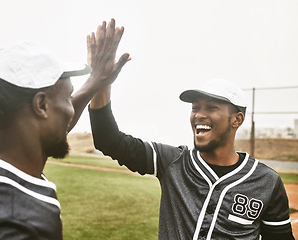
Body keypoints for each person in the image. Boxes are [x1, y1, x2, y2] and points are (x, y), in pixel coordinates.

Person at [0, 19, 130, 240]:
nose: (70, 109)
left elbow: (52, 122)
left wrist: (95, 82)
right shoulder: (14, 226)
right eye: (68, 97)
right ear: (41, 106)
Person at [89, 76, 295, 238]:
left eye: (211, 107)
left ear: (237, 120)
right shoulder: (172, 161)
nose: (199, 114)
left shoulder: (267, 181)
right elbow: (108, 141)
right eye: (195, 108)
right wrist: (102, 82)